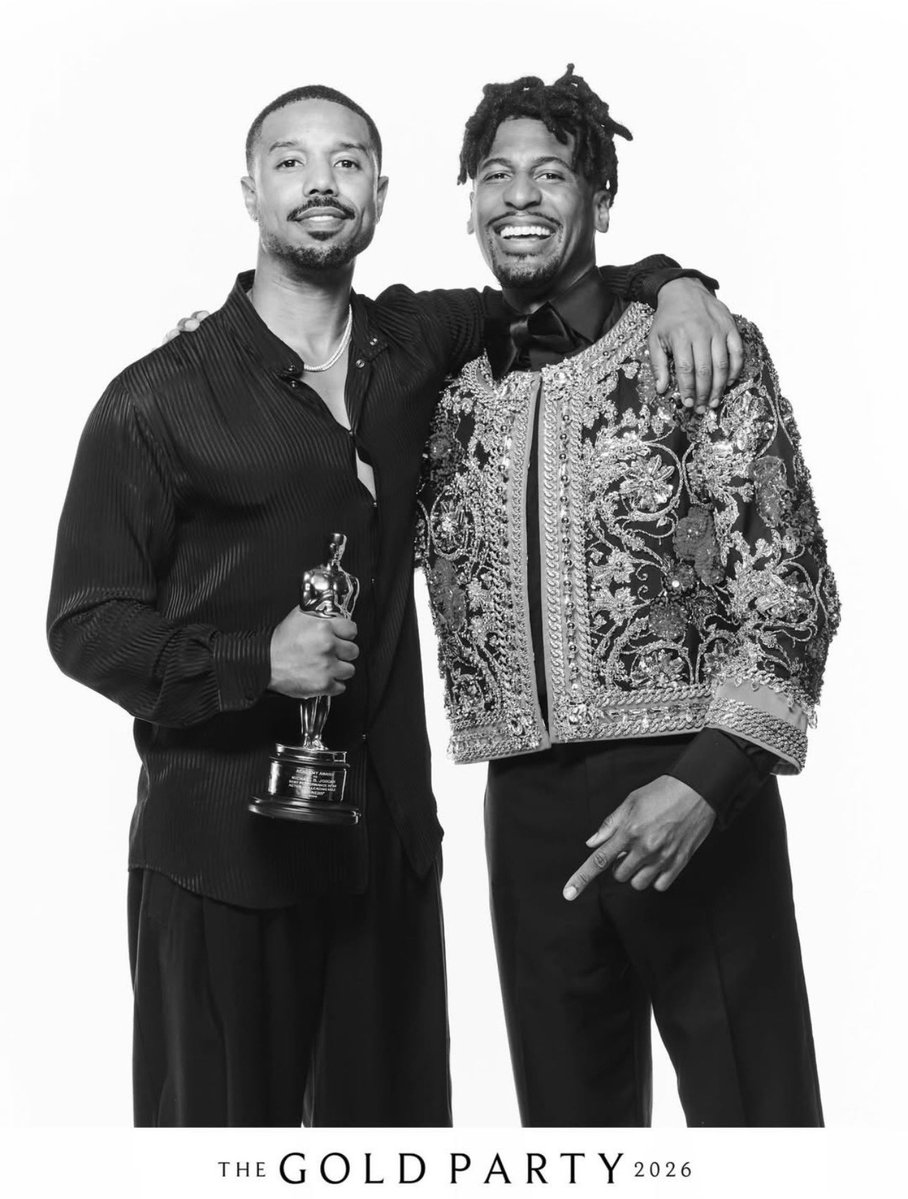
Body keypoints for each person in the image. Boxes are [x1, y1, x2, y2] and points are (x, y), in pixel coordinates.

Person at [47, 81, 738, 1128]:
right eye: (290, 161)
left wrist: (679, 284)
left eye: (346, 162)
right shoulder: (157, 397)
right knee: (210, 1166)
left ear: (378, 193)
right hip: (218, 862)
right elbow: (84, 620)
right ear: (249, 190)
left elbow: (551, 275)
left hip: (382, 861)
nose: (319, 183)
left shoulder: (417, 346)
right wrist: (249, 659)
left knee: (394, 1159)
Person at [417, 66, 839, 1127]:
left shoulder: (691, 348)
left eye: (550, 173)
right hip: (524, 813)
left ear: (596, 201)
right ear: (469, 201)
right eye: (495, 175)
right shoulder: (445, 392)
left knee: (759, 1130)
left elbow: (792, 588)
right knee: (569, 1144)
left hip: (693, 785)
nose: (519, 196)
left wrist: (705, 782)